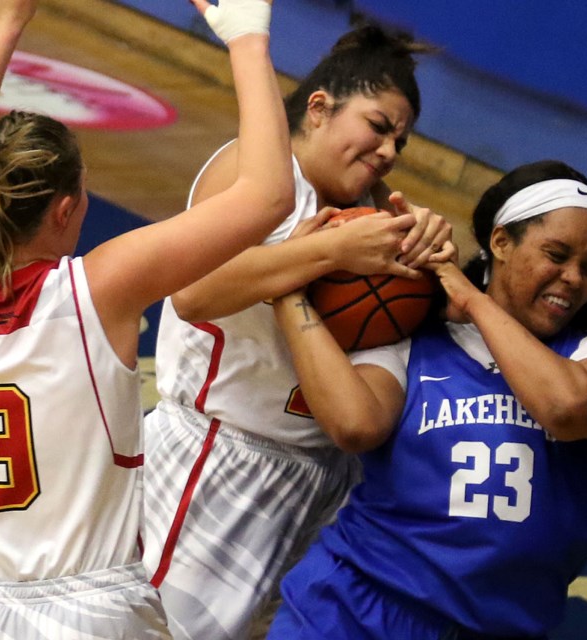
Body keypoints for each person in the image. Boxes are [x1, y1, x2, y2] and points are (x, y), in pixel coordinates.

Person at [0, 0, 293, 637]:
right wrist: (248, 39)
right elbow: (269, 194)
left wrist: (6, 28)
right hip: (90, 618)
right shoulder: (99, 288)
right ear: (64, 210)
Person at [267, 159, 587, 639]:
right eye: (556, 255)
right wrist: (290, 291)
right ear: (501, 243)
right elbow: (354, 425)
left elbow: (564, 407)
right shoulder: (414, 340)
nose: (573, 278)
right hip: (351, 609)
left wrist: (472, 298)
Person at [140, 21, 453, 640]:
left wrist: (440, 248)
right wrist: (328, 257)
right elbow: (191, 291)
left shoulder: (381, 217)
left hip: (324, 480)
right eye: (378, 126)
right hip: (216, 461)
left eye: (402, 141)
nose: (390, 151)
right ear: (319, 108)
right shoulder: (257, 173)